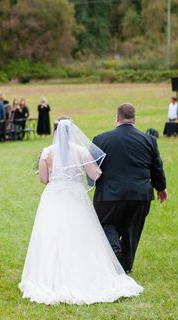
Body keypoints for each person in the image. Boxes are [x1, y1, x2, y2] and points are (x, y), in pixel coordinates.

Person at [19, 118, 143, 304]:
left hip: (54, 196)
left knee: (52, 233)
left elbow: (43, 180)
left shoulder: (47, 152)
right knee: (81, 233)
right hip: (76, 195)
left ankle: (51, 274)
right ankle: (84, 272)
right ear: (72, 132)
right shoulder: (81, 151)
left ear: (55, 132)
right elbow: (95, 174)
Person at [92, 103, 168, 274]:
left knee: (105, 223)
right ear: (134, 118)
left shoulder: (101, 139)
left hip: (109, 194)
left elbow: (93, 169)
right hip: (140, 194)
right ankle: (126, 266)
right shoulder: (149, 140)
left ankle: (113, 247)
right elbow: (157, 167)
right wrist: (161, 188)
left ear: (117, 118)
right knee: (132, 229)